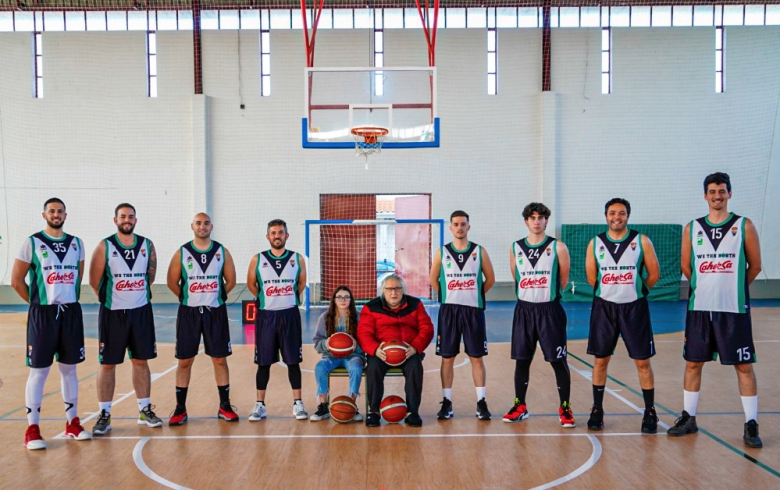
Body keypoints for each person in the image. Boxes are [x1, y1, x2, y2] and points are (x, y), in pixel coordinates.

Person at [667, 172, 763, 448]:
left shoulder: (744, 226)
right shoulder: (691, 228)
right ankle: (689, 417)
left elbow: (754, 266)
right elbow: (687, 267)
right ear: (705, 195)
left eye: (722, 191)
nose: (717, 196)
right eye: (712, 191)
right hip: (700, 308)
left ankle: (751, 423)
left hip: (733, 309)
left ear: (729, 194)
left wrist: (733, 288)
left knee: (743, 366)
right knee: (693, 363)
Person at [10, 198, 91, 449]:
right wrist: (37, 304)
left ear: (66, 214)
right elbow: (17, 281)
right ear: (44, 214)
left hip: (70, 313)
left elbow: (77, 277)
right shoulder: (32, 243)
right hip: (43, 314)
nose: (56, 215)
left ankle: (73, 423)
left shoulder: (77, 244)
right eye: (51, 211)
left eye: (59, 211)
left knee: (70, 370)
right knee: (39, 371)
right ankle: (32, 429)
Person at [585, 198, 660, 433]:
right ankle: (597, 410)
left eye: (622, 213)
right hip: (605, 308)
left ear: (628, 215)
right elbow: (592, 278)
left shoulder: (641, 241)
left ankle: (650, 412)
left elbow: (654, 273)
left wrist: (637, 292)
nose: (616, 217)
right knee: (600, 360)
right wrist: (610, 292)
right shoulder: (595, 243)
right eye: (612, 213)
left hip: (634, 308)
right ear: (605, 216)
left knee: (642, 362)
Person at [89, 203, 161, 435]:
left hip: (140, 311)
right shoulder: (105, 246)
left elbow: (150, 276)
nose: (127, 220)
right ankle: (105, 414)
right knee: (108, 363)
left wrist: (134, 294)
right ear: (115, 220)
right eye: (123, 217)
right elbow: (94, 279)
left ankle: (144, 410)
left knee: (141, 361)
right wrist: (117, 298)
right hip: (113, 312)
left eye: (130, 217)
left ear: (135, 220)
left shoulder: (147, 245)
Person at [502, 203, 575, 427]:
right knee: (522, 360)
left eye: (540, 217)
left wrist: (546, 297)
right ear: (526, 221)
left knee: (557, 360)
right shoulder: (515, 247)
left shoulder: (558, 247)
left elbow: (562, 280)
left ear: (546, 221)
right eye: (532, 217)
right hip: (524, 310)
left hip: (549, 310)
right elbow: (517, 277)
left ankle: (565, 407)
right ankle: (520, 405)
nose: (536, 221)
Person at [166, 212, 238, 425]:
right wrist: (186, 296)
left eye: (206, 223)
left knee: (219, 359)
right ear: (192, 226)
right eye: (198, 223)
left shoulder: (221, 251)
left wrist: (216, 296)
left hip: (214, 311)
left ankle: (224, 406)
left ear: (211, 226)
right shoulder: (183, 252)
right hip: (189, 313)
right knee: (185, 360)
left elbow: (231, 280)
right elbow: (172, 281)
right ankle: (180, 408)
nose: (202, 226)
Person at [429, 210, 495, 420]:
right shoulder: (442, 252)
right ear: (450, 227)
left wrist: (474, 295)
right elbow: (433, 280)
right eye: (456, 224)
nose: (459, 227)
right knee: (447, 358)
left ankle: (481, 402)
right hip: (449, 311)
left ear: (469, 226)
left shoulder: (479, 251)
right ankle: (447, 402)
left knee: (476, 357)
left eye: (463, 224)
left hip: (473, 311)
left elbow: (490, 279)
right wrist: (450, 295)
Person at [246, 219, 308, 421]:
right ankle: (259, 404)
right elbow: (251, 284)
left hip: (289, 314)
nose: (277, 236)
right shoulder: (258, 259)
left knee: (293, 361)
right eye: (273, 233)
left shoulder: (297, 259)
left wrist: (286, 298)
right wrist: (267, 299)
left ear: (287, 235)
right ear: (268, 237)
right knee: (263, 363)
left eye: (280, 232)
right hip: (267, 316)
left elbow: (301, 284)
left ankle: (298, 403)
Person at [357, 275, 434, 427]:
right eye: (389, 289)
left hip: (408, 351)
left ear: (403, 290)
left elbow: (427, 328)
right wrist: (374, 349)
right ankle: (374, 411)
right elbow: (363, 333)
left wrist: (415, 347)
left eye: (397, 289)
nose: (394, 293)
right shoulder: (371, 307)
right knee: (373, 367)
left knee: (415, 367)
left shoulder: (415, 304)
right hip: (381, 352)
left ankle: (412, 412)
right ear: (382, 291)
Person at [310, 285, 365, 422]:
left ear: (351, 300)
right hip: (330, 356)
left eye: (346, 297)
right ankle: (323, 406)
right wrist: (327, 344)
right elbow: (317, 343)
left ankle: (351, 405)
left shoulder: (359, 317)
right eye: (339, 297)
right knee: (320, 367)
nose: (343, 300)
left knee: (356, 368)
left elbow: (366, 342)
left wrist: (356, 345)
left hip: (354, 356)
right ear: (334, 300)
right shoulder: (325, 317)